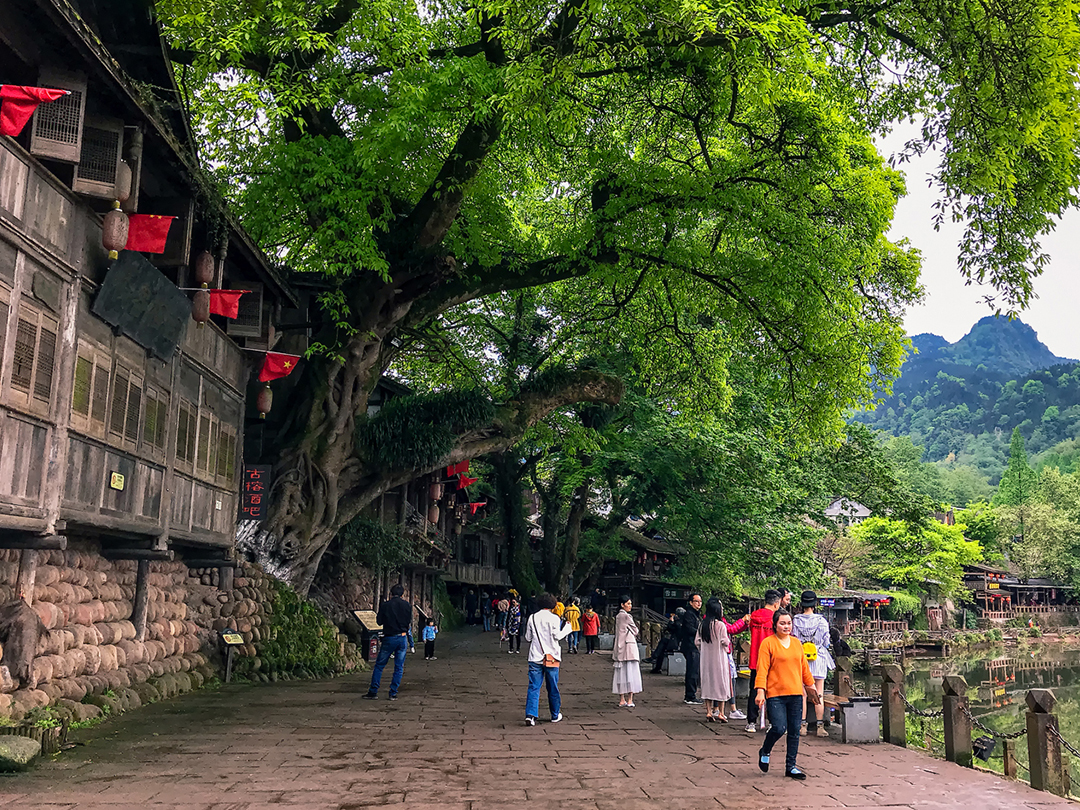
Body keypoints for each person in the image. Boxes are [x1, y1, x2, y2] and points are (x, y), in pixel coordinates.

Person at [755, 609, 817, 780]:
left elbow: (804, 668)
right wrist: (760, 691)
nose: (786, 626)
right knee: (779, 728)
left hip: (796, 693)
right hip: (775, 693)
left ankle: (791, 766)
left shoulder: (797, 643)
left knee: (795, 730)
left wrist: (811, 688)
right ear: (775, 625)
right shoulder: (768, 643)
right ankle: (765, 750)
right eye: (782, 623)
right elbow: (762, 669)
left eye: (789, 623)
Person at [523, 592, 573, 726]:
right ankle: (555, 714)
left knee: (534, 686)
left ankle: (531, 715)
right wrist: (567, 629)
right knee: (552, 687)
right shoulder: (554, 618)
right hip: (552, 657)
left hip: (535, 656)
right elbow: (557, 636)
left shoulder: (532, 618)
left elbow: (528, 638)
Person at [792, 590, 833, 737]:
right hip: (819, 658)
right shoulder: (822, 621)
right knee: (818, 693)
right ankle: (819, 726)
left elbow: (793, 640)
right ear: (815, 603)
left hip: (801, 659)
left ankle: (802, 726)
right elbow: (826, 642)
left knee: (802, 693)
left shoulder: (795, 620)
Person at [363, 584, 413, 701]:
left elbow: (379, 621)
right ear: (402, 594)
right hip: (402, 637)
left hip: (389, 637)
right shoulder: (407, 606)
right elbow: (409, 621)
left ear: (391, 593)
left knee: (380, 665)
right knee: (399, 667)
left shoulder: (386, 605)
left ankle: (373, 691)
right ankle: (393, 693)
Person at [745, 589, 781, 732]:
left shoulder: (753, 616)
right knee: (772, 692)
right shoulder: (775, 619)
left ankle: (751, 722)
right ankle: (772, 722)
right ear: (777, 603)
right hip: (771, 660)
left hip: (755, 658)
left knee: (754, 690)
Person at [696, 597, 735, 722]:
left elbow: (697, 641)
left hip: (706, 659)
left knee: (708, 683)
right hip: (719, 659)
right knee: (721, 683)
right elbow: (725, 642)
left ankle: (708, 711)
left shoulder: (703, 625)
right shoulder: (720, 625)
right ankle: (721, 712)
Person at [612, 595, 642, 707]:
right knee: (631, 673)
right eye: (628, 604)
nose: (630, 606)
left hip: (619, 647)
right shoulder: (627, 616)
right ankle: (630, 699)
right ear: (622, 604)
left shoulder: (618, 616)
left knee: (621, 673)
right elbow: (635, 630)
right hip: (629, 646)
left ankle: (621, 699)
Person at [677, 593, 704, 705]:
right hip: (690, 645)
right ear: (691, 602)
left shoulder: (696, 614)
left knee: (694, 670)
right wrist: (701, 633)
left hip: (694, 645)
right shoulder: (689, 614)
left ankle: (691, 694)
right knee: (692, 671)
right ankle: (690, 696)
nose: (699, 603)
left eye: (700, 601)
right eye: (696, 601)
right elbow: (689, 629)